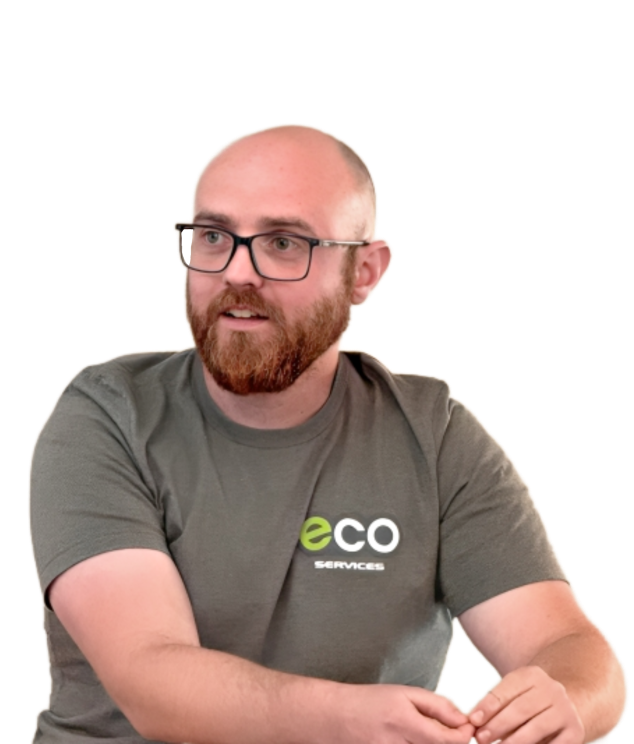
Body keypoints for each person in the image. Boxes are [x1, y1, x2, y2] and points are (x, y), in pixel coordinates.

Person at [28, 123, 628, 744]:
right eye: (213, 236)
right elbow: (154, 684)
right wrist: (350, 719)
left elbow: (570, 646)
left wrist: (567, 702)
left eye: (283, 243)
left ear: (365, 271)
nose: (238, 272)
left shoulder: (433, 434)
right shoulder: (108, 416)